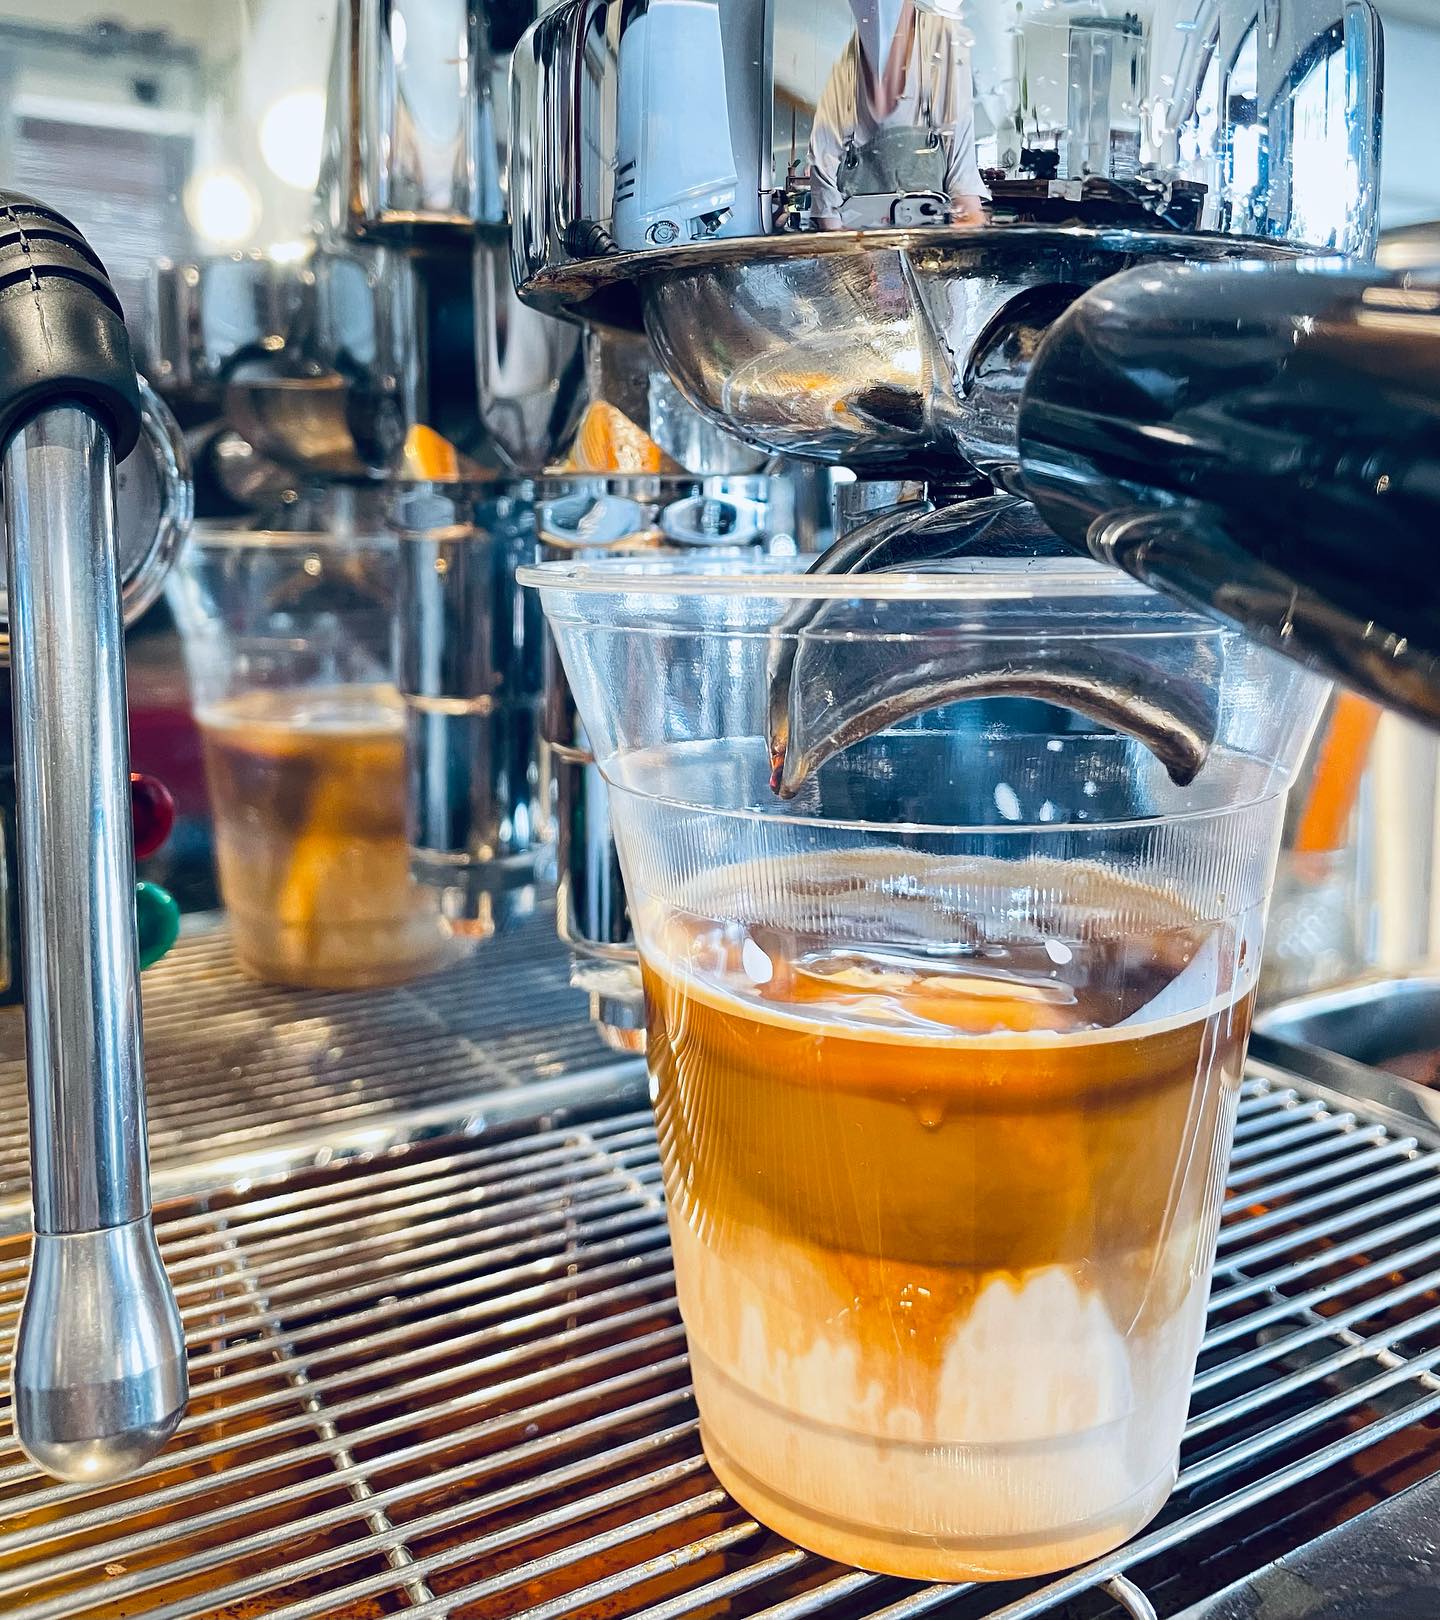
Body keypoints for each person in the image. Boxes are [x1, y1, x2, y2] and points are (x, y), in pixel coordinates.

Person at [807, 0, 989, 230]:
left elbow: (964, 189)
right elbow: (827, 210)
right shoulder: (841, 69)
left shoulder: (941, 43)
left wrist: (966, 231)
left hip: (930, 244)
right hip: (856, 243)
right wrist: (852, 247)